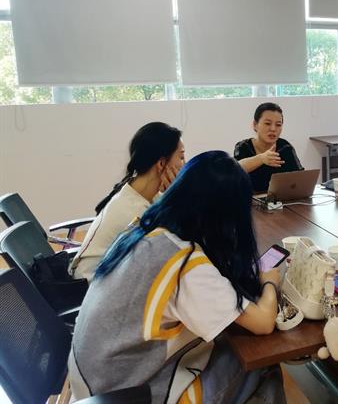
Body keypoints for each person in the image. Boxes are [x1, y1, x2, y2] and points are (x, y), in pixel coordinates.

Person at [68, 151, 285, 404]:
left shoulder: (144, 227)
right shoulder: (184, 262)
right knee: (261, 361)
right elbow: (263, 323)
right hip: (129, 392)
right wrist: (270, 281)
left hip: (91, 379)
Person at [70, 122, 185, 281]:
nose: (185, 164)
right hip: (92, 287)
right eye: (181, 157)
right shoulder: (133, 210)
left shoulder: (141, 194)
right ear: (161, 163)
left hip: (110, 282)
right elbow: (178, 246)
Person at [234, 102, 303, 193]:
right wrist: (261, 158)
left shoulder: (285, 147)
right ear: (255, 125)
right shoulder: (243, 146)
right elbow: (235, 170)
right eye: (267, 123)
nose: (273, 129)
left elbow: (300, 177)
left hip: (280, 198)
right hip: (250, 199)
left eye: (278, 125)